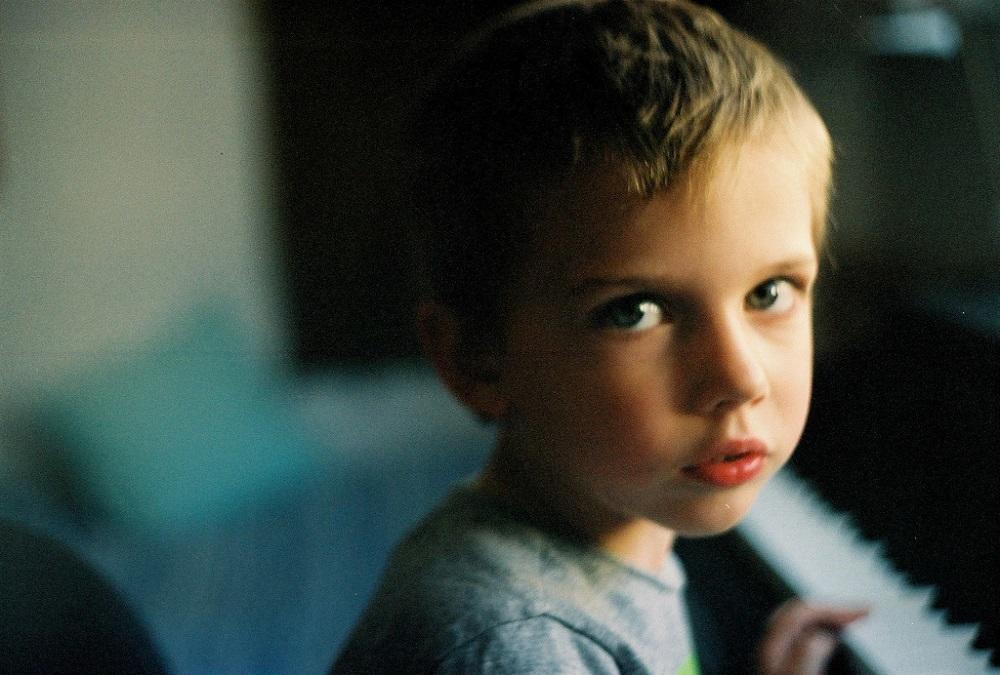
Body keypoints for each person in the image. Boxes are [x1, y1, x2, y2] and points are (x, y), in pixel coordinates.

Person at [333, 1, 866, 672]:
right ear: (476, 359)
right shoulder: (517, 645)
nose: (740, 379)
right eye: (634, 312)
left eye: (769, 293)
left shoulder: (622, 524)